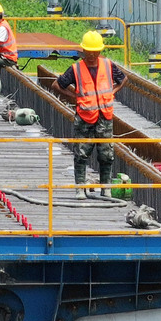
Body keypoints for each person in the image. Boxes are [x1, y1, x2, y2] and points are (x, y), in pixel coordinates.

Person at [56, 31, 127, 198]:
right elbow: (57, 85)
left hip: (105, 117)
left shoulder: (108, 65)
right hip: (85, 119)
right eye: (89, 52)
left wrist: (112, 93)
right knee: (81, 154)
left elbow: (123, 79)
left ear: (100, 51)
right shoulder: (76, 69)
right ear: (83, 51)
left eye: (95, 52)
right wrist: (76, 97)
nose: (92, 55)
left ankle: (106, 189)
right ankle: (80, 188)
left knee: (106, 155)